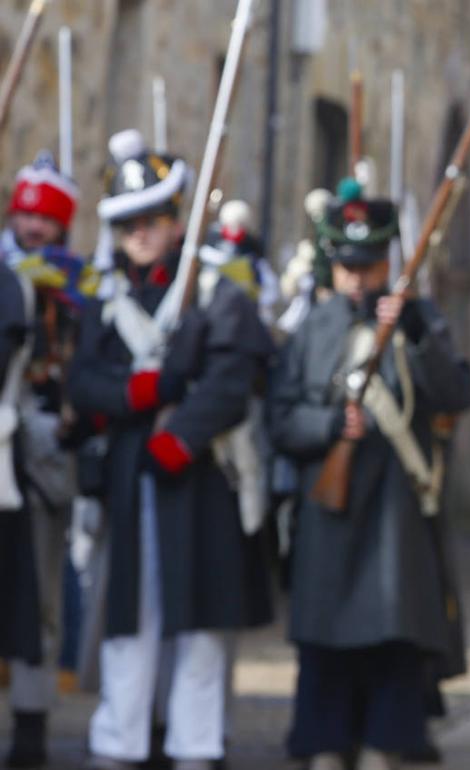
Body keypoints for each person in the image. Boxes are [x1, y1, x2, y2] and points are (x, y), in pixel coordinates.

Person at [67, 129, 273, 770]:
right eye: (129, 224)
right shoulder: (106, 297)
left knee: (202, 622)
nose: (140, 235)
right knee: (131, 619)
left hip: (199, 472)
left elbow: (232, 379)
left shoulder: (216, 290)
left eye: (151, 221)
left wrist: (182, 438)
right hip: (131, 472)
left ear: (174, 219)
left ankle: (196, 743)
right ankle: (121, 739)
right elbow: (84, 379)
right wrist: (140, 390)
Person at [269, 179, 470, 770]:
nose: (358, 277)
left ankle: (390, 744)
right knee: (324, 650)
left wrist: (412, 330)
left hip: (394, 515)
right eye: (348, 266)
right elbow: (280, 420)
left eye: (369, 265)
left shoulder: (419, 318)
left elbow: (456, 394)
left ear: (388, 261)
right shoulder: (312, 328)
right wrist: (332, 427)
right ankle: (325, 746)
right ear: (333, 262)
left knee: (393, 641)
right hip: (327, 512)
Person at [0, 150, 89, 768]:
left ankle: (30, 732)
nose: (33, 228)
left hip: (41, 458)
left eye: (45, 220)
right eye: (26, 216)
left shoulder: (76, 284)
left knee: (37, 599)